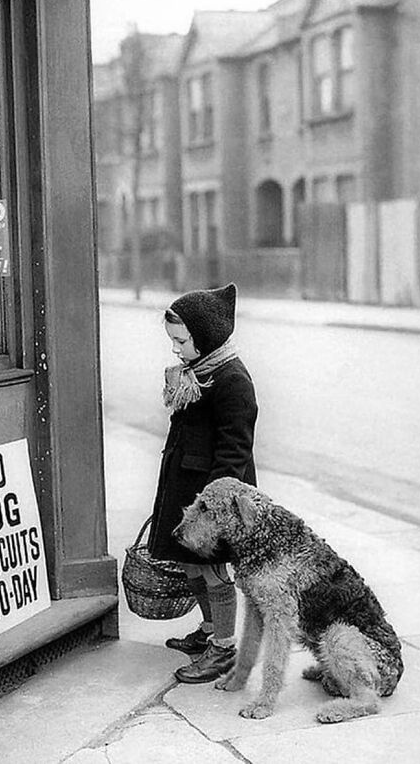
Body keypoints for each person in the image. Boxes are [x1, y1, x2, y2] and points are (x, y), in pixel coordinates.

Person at [148, 283, 258, 683]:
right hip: (186, 486)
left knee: (212, 570)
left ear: (205, 338)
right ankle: (211, 630)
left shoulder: (232, 381)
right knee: (190, 565)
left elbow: (235, 452)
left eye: (181, 341)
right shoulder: (197, 373)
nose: (175, 349)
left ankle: (225, 648)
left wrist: (211, 509)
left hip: (214, 497)